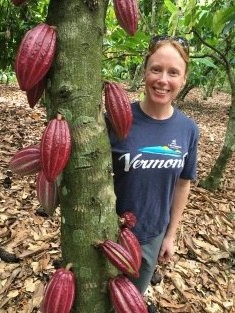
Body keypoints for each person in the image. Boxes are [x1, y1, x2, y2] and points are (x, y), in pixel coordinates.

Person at [106, 35, 199, 312]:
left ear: (183, 80)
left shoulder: (188, 129)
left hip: (152, 234)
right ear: (145, 71)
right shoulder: (116, 120)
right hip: (108, 234)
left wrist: (170, 235)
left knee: (131, 300)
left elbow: (183, 184)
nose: (163, 80)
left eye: (173, 73)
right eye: (156, 69)